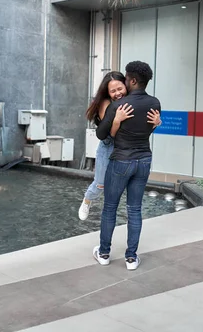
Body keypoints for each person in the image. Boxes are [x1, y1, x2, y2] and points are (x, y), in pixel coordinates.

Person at [93, 61, 161, 271]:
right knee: (135, 209)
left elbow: (101, 134)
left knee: (110, 208)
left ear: (131, 80)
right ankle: (131, 258)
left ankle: (104, 253)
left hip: (121, 160)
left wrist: (115, 119)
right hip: (144, 161)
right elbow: (147, 129)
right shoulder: (155, 103)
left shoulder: (119, 106)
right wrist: (157, 123)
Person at [79, 71, 160, 221]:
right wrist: (117, 120)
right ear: (107, 92)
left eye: (120, 88)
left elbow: (139, 130)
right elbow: (111, 133)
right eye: (113, 91)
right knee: (100, 184)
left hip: (127, 149)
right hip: (109, 145)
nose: (117, 93)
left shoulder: (132, 101)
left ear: (126, 85)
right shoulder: (106, 104)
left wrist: (156, 123)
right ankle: (87, 200)